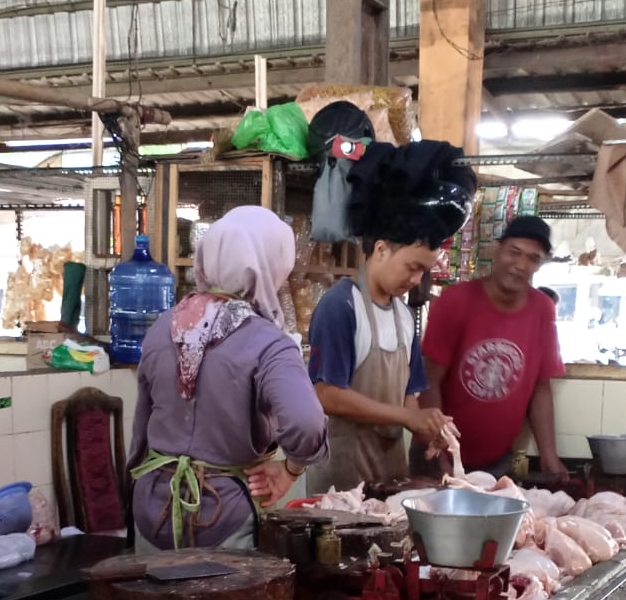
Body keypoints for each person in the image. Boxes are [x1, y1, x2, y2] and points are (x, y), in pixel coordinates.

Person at [128, 206, 328, 551]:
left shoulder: (162, 328)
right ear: (272, 266)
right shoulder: (268, 342)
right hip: (223, 519)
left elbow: (140, 431)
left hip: (152, 511)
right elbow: (306, 423)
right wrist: (291, 470)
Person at [306, 141, 473, 493]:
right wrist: (408, 417)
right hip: (341, 488)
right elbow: (327, 394)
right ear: (381, 249)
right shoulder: (341, 305)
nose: (416, 280)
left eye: (423, 272)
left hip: (388, 482)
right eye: (412, 267)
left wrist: (427, 427)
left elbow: (409, 397)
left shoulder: (403, 314)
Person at [420, 215, 569, 478]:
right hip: (438, 455)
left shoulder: (542, 310)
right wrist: (442, 450)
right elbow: (429, 380)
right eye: (514, 252)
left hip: (499, 462)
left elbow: (540, 388)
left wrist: (549, 455)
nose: (521, 264)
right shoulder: (455, 301)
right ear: (497, 249)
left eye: (533, 258)